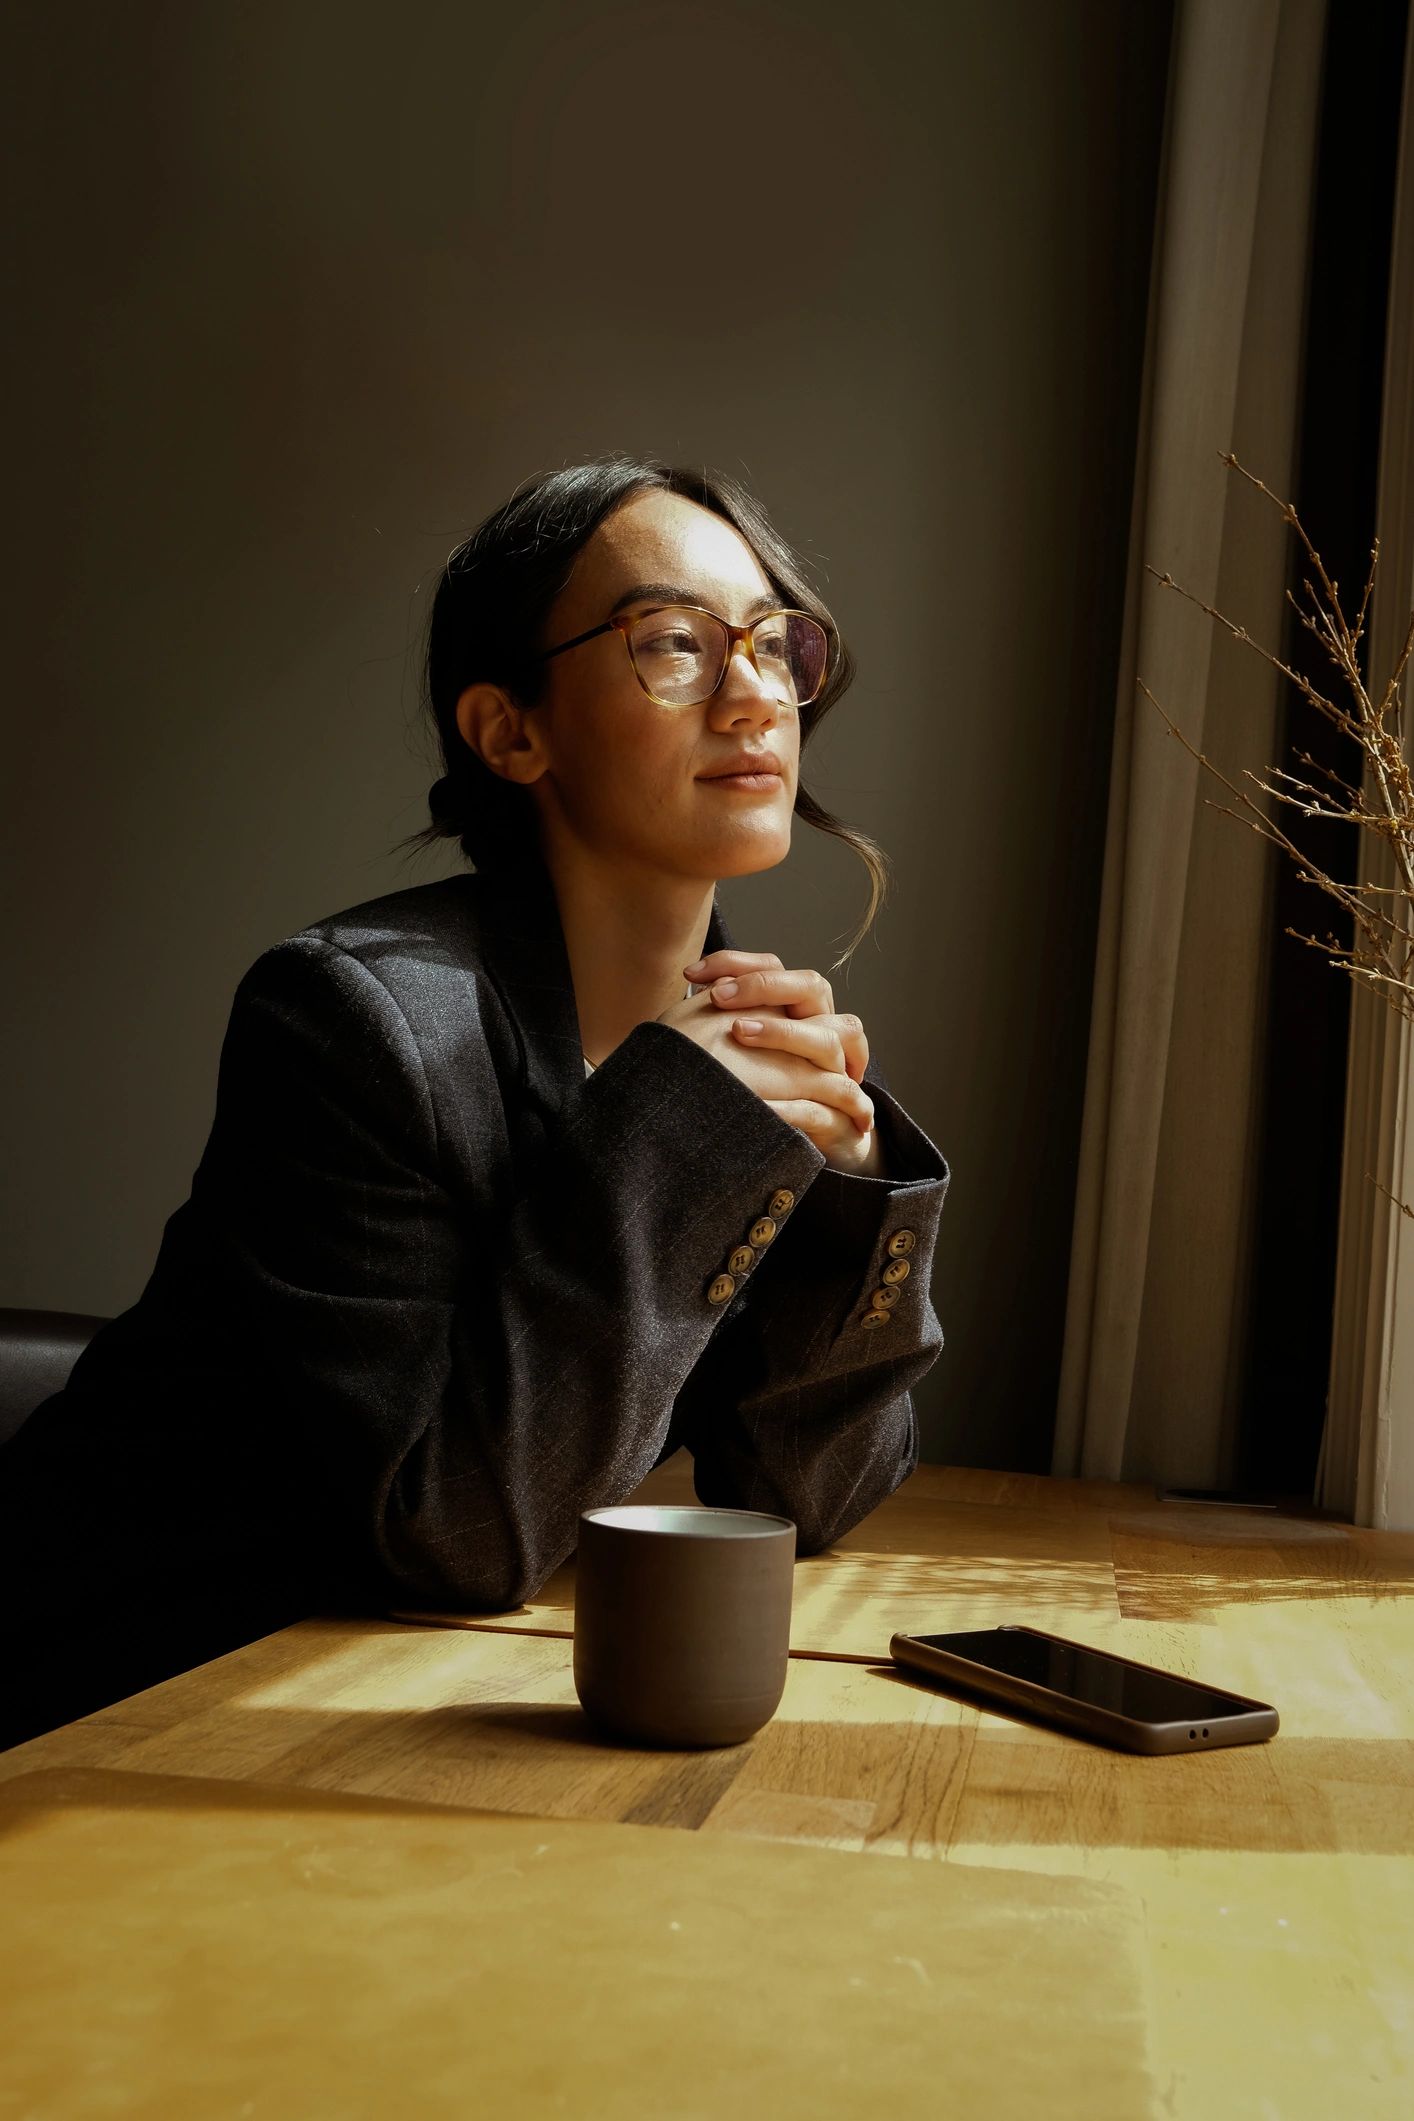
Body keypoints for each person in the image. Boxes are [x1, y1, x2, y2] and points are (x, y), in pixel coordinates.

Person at [0, 454, 951, 1750]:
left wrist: (847, 1195)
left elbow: (804, 1492)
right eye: (672, 642)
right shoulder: (353, 1017)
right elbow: (460, 1528)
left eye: (775, 643)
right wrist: (684, 1133)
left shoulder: (741, 1048)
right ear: (512, 731)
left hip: (393, 1706)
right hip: (132, 1685)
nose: (753, 692)